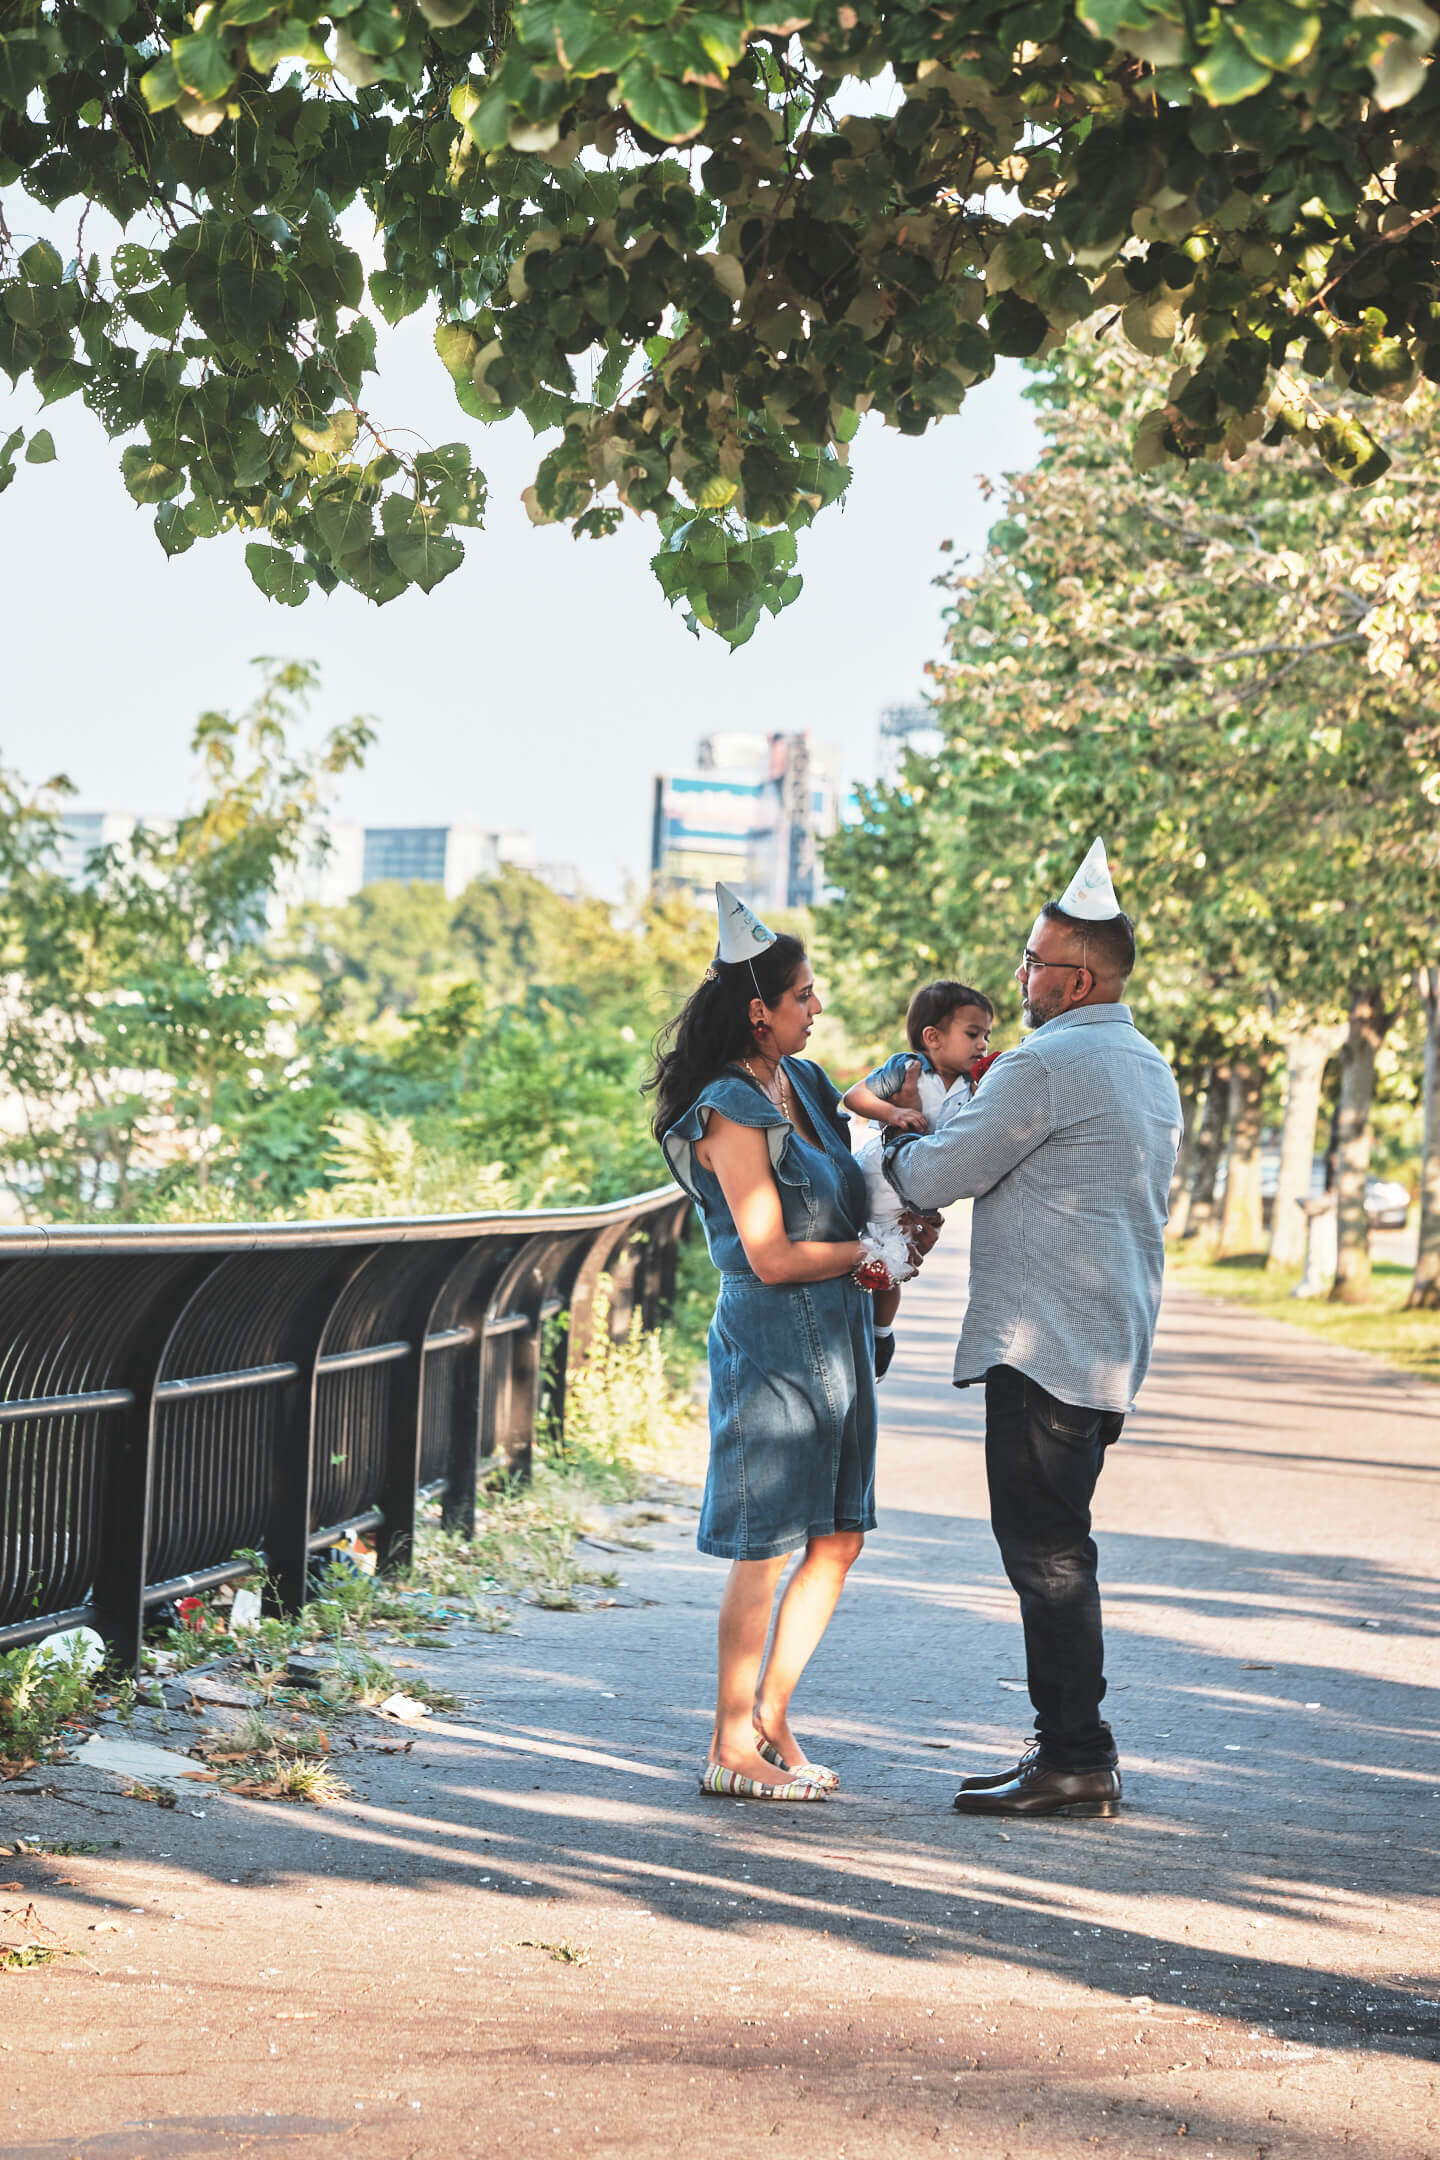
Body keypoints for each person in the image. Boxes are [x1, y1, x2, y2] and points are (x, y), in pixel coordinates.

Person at [883, 839, 1182, 1819]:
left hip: (1043, 1346)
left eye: (1033, 962)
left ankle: (1075, 1758)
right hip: (1105, 1343)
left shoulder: (1049, 1063)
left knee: (1048, 1555)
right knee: (1059, 1546)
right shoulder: (1146, 1064)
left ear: (1078, 977)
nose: (1019, 977)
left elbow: (933, 1175)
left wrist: (885, 1138)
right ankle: (1067, 1749)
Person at [649, 883, 931, 1803]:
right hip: (774, 1338)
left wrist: (896, 1225)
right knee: (766, 1545)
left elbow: (854, 1177)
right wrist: (873, 1252)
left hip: (840, 1332)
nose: (818, 1009)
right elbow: (768, 1255)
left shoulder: (805, 1083)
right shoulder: (729, 1106)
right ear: (758, 1010)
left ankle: (772, 1714)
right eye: (804, 996)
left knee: (840, 1538)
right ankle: (729, 1744)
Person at [842, 981, 995, 1378]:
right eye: (973, 1034)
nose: (982, 1044)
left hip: (914, 1198)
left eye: (986, 1036)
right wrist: (892, 1114)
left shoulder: (972, 1088)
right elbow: (854, 1097)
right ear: (933, 1038)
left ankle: (881, 1333)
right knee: (857, 1253)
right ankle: (854, 1332)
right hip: (879, 1176)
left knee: (891, 1269)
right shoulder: (907, 1068)